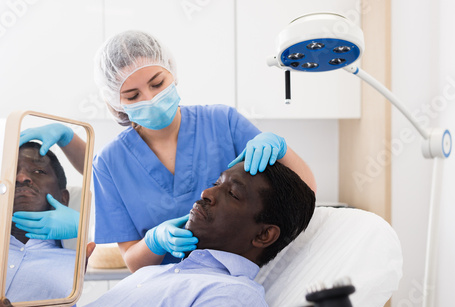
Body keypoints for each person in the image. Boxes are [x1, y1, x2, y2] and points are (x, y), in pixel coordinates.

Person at [17, 30, 317, 272]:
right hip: (169, 290)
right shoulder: (109, 163)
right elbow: (133, 260)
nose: (150, 98)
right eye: (132, 95)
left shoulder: (222, 122)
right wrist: (155, 242)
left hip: (241, 278)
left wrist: (280, 147)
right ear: (115, 102)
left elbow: (304, 192)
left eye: (157, 83)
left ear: (171, 72)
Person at [0, 161, 316, 307]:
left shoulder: (235, 300)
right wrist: (52, 302)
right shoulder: (156, 274)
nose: (206, 193)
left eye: (232, 192)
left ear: (263, 234)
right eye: (216, 181)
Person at [7, 142, 79, 307]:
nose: (21, 177)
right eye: (13, 172)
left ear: (63, 198)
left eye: (38, 171)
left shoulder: (81, 260)